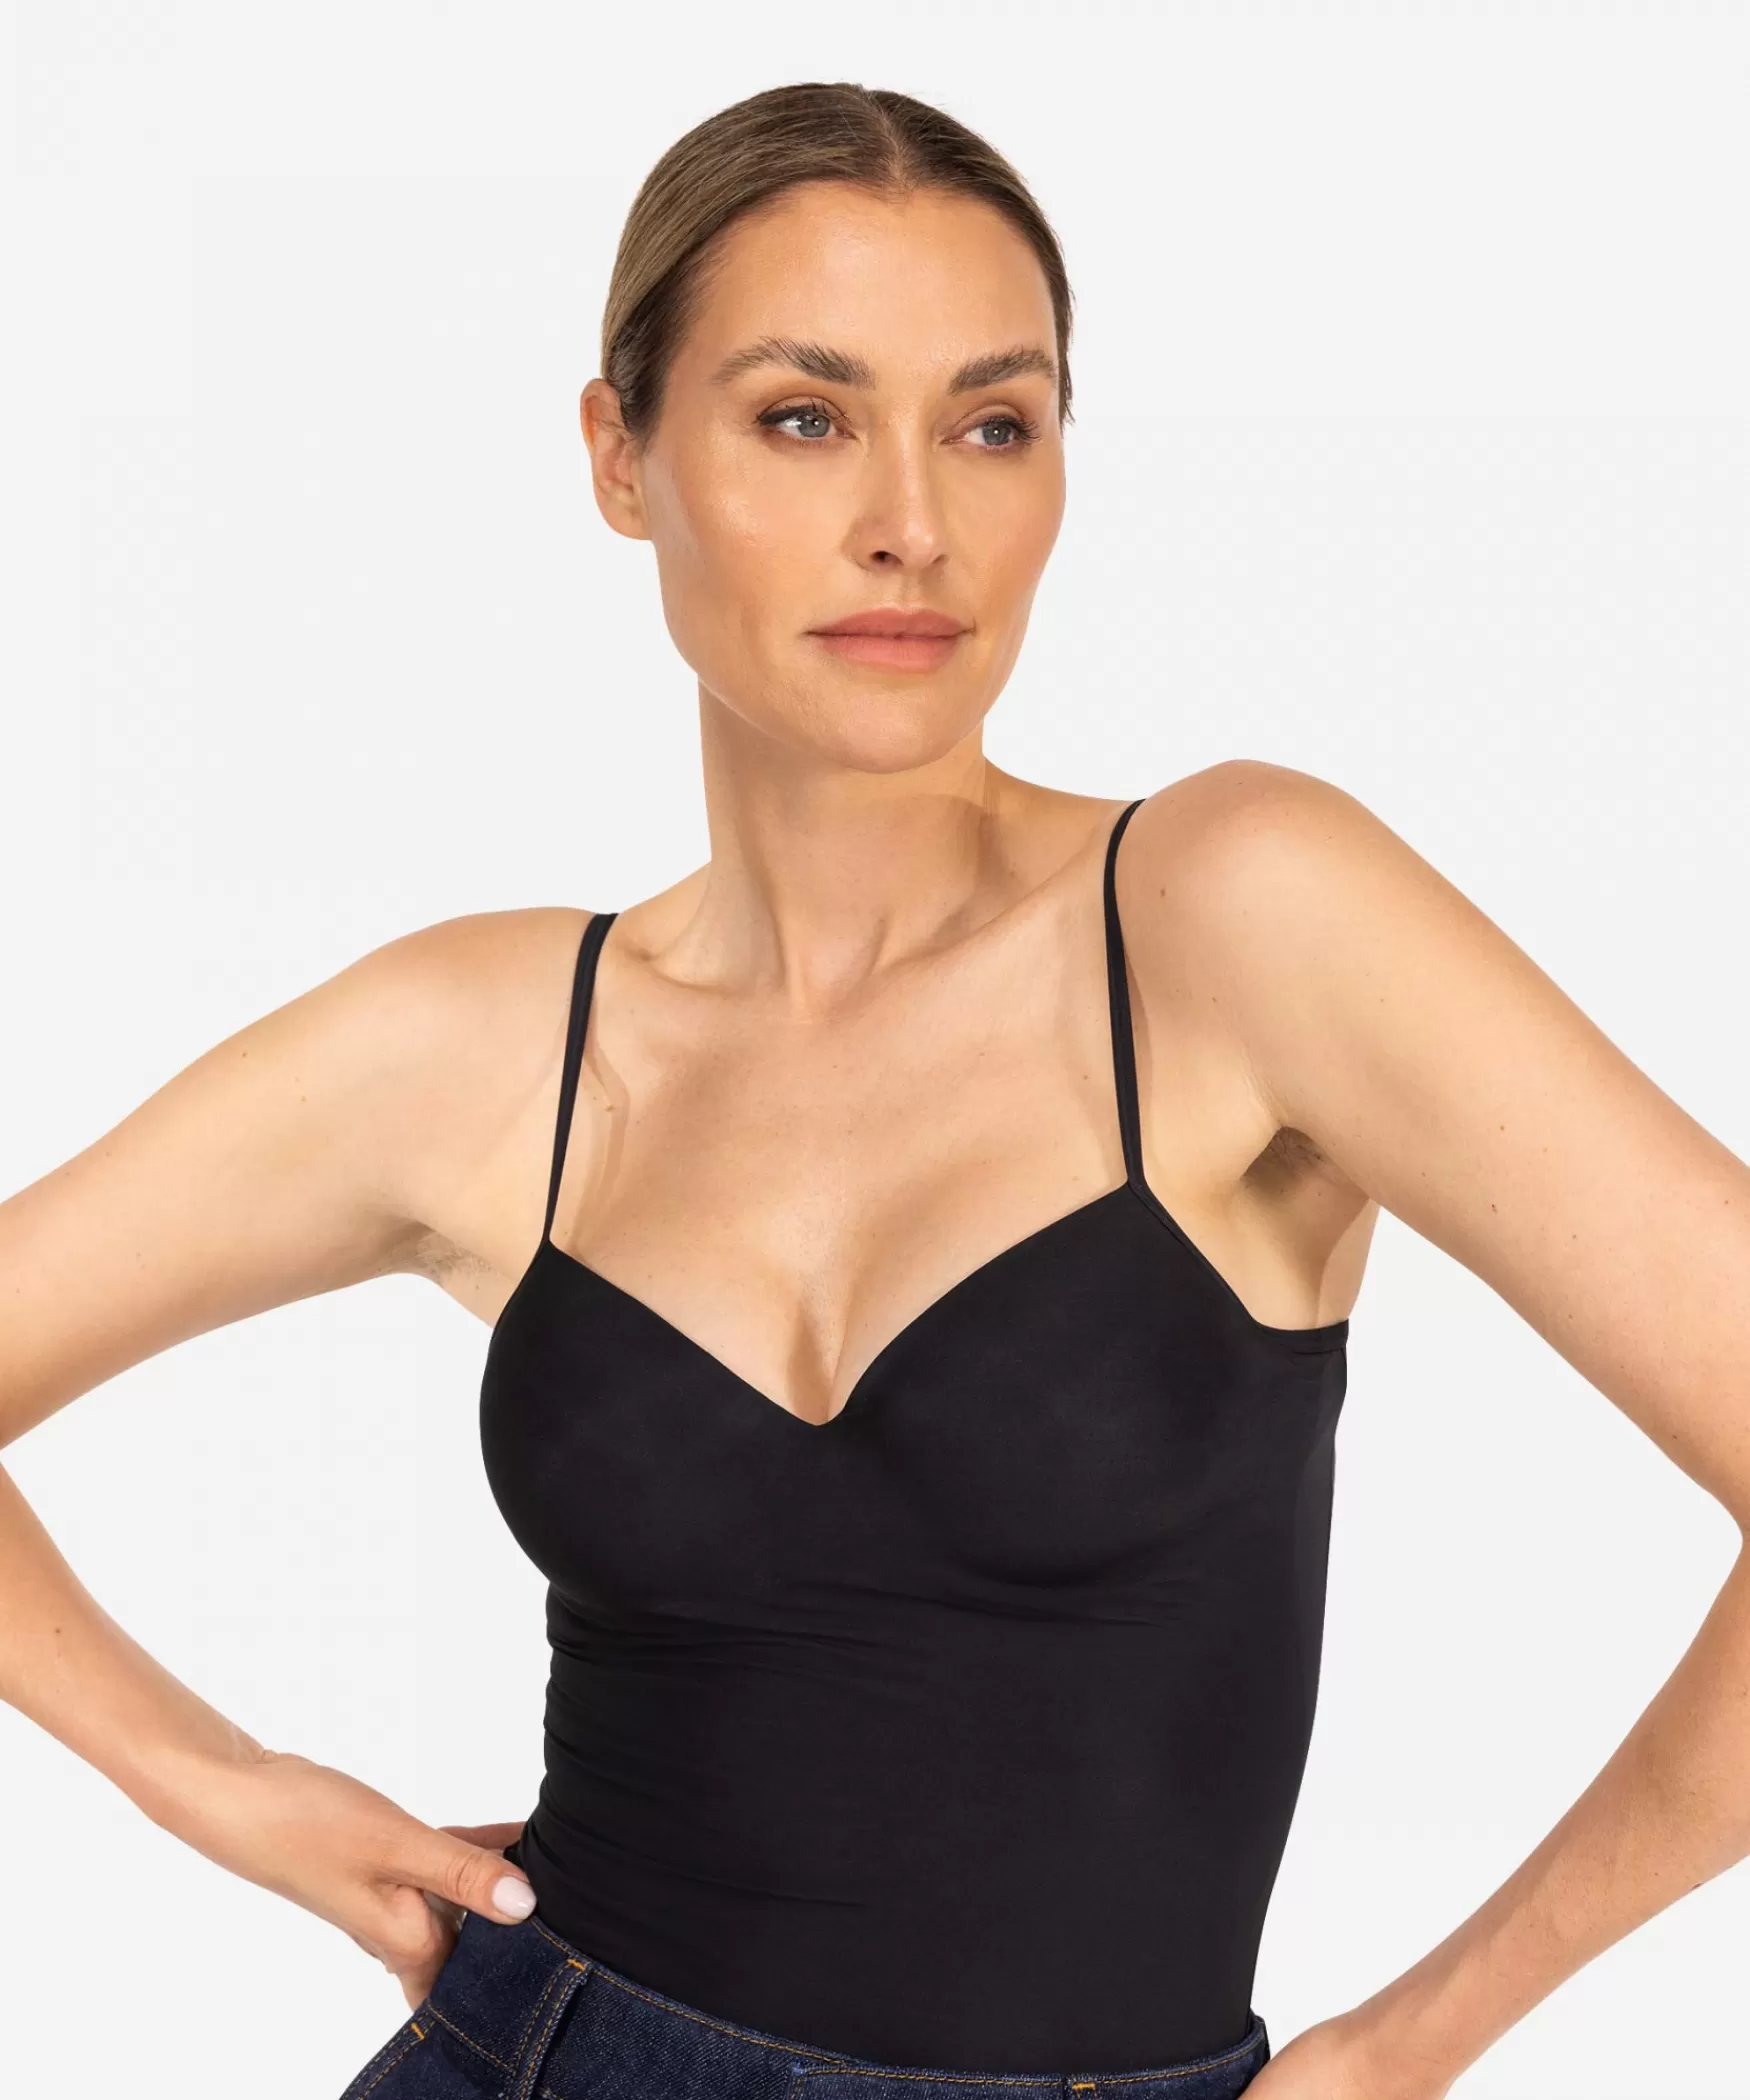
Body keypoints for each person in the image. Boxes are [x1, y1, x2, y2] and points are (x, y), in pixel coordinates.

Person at [3, 77, 1748, 2100]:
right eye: (801, 417)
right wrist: (214, 1786)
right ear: (620, 456)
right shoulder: (495, 1043)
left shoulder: (1228, 913)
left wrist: (1408, 2046)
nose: (911, 521)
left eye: (991, 425)